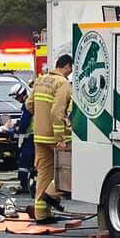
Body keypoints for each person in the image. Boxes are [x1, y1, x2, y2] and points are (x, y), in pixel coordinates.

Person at [28, 51, 74, 223]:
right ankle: (50, 195)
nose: (70, 72)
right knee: (69, 170)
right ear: (67, 66)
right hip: (55, 138)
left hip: (39, 136)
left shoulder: (40, 80)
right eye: (71, 69)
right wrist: (60, 137)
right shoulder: (63, 83)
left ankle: (41, 214)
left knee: (44, 174)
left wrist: (41, 118)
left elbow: (29, 104)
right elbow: (57, 111)